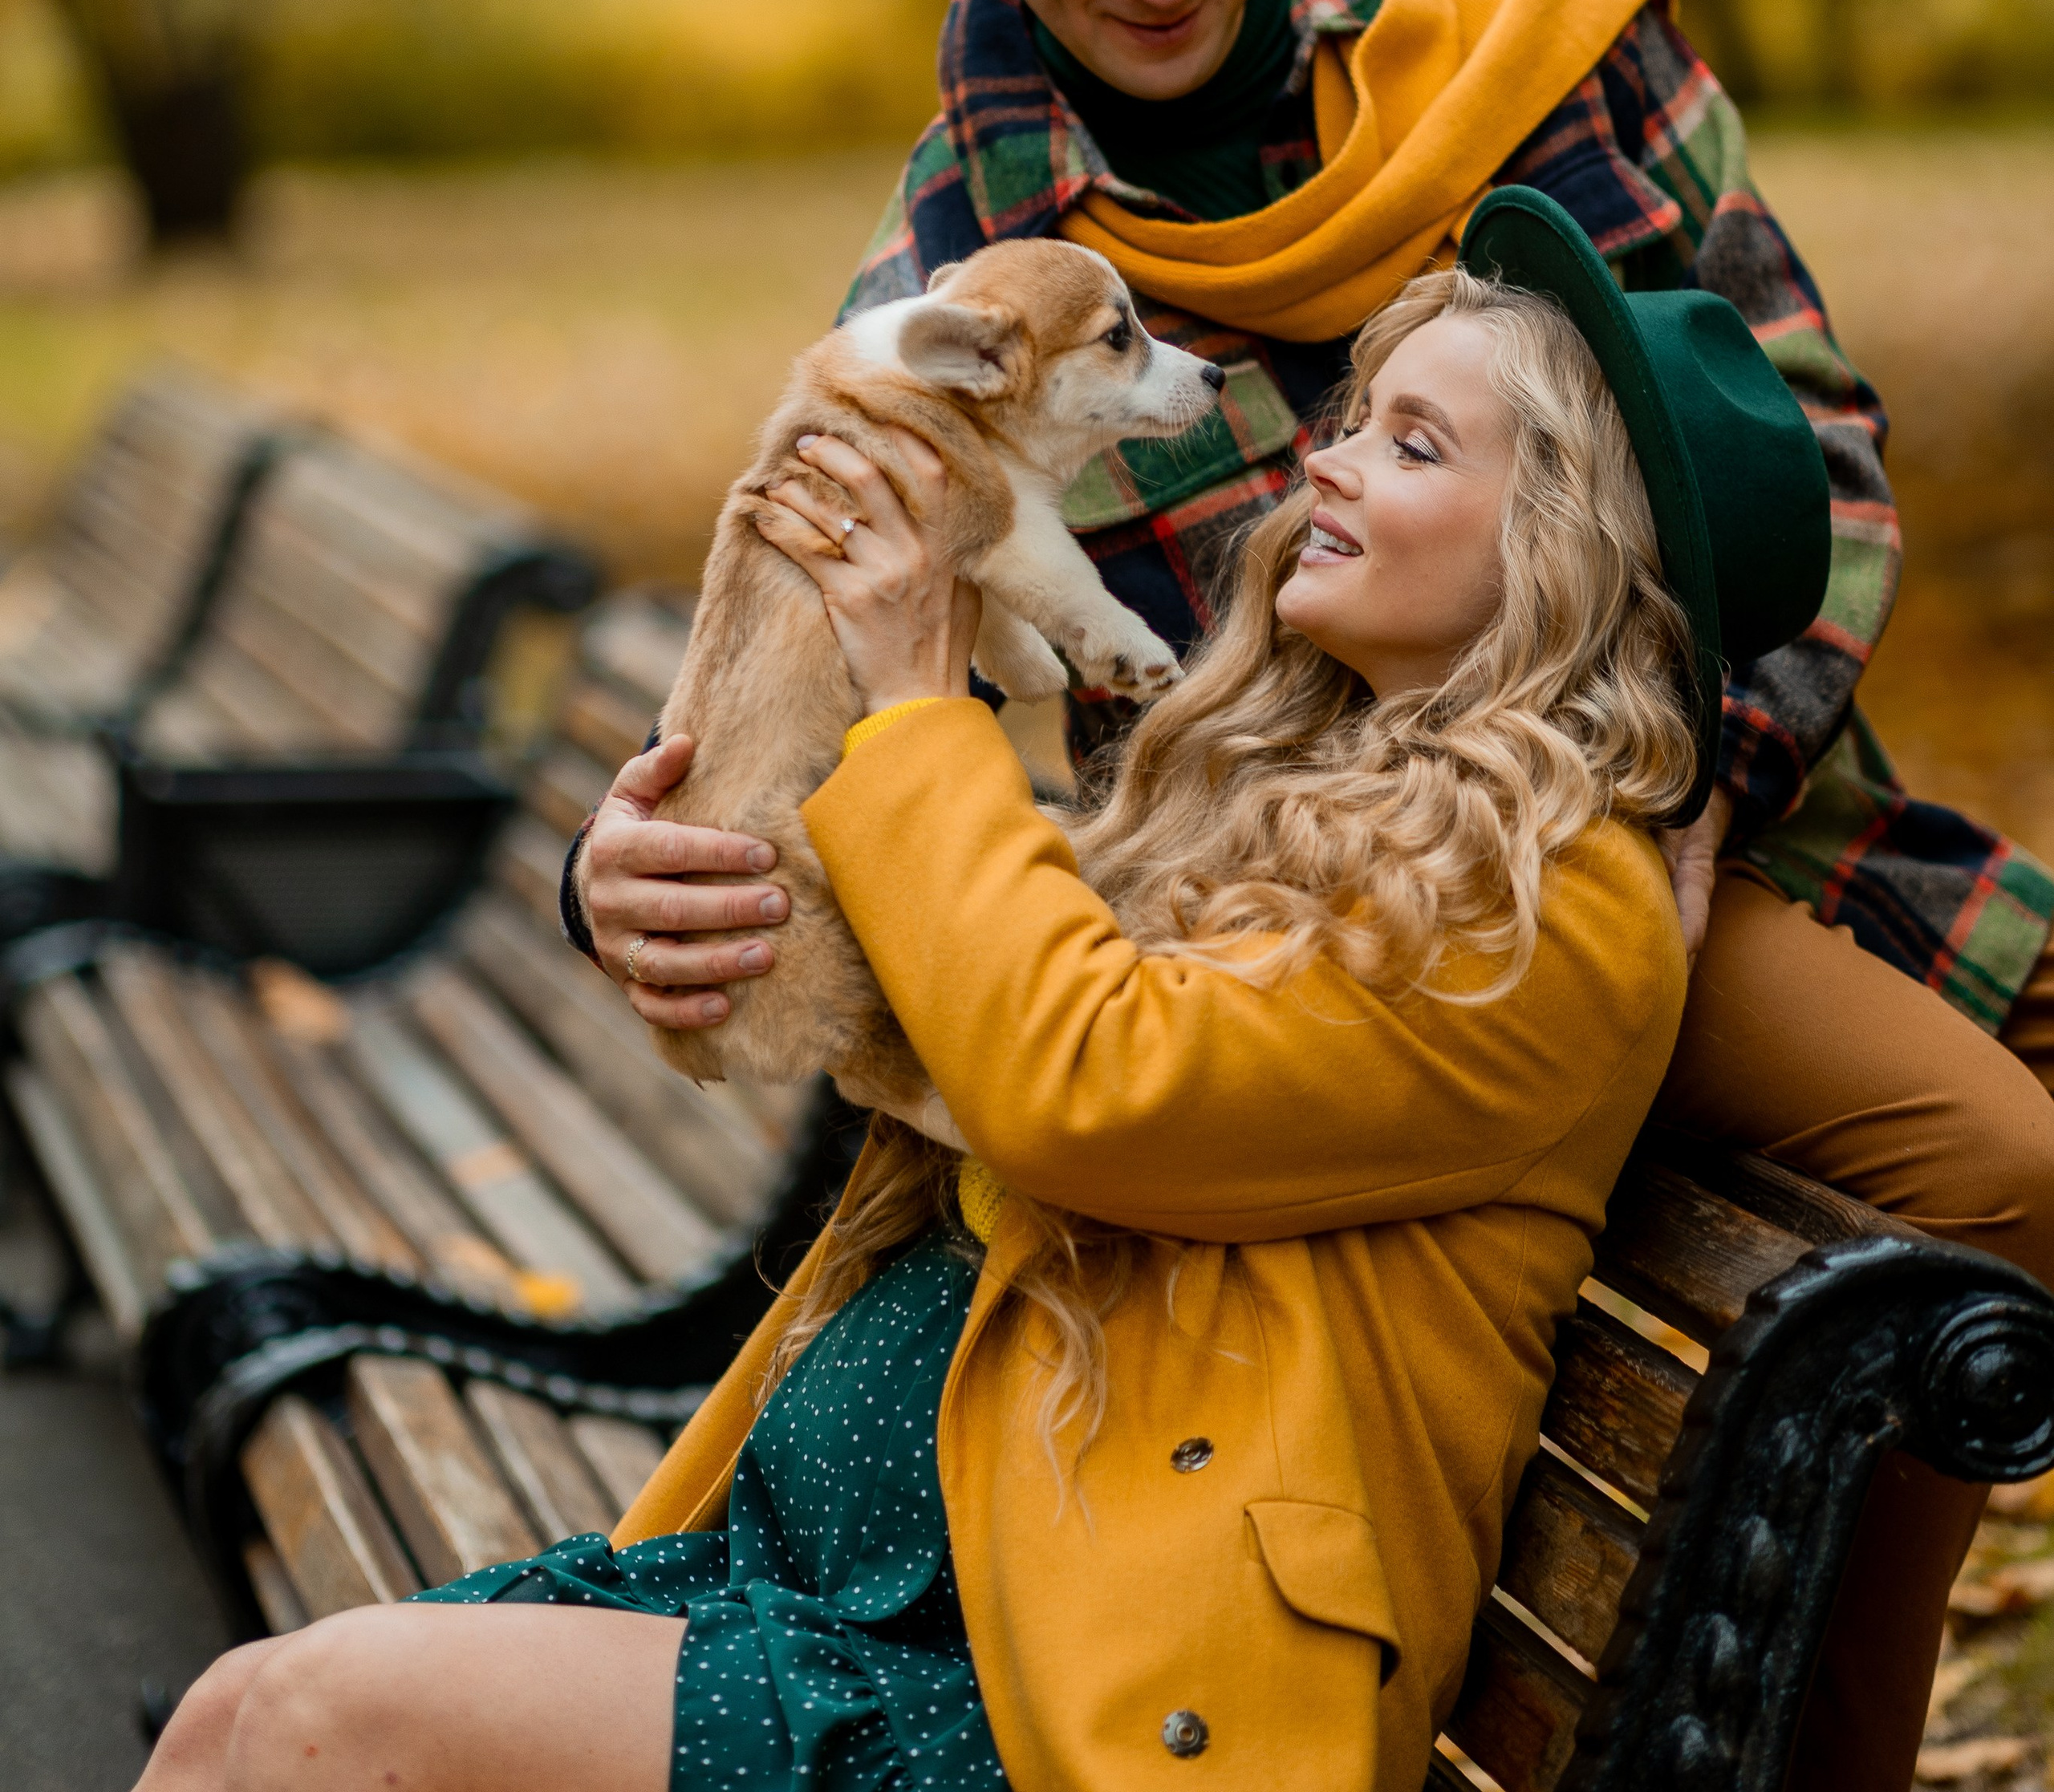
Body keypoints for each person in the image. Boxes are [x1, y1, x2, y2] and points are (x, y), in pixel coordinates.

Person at [571, 0, 2054, 1791]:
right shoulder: (962, 255)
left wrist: (1635, 804)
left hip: (1641, 806)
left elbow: (1807, 468)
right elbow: (858, 651)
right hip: (1252, 890)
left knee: (2003, 1175)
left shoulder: (1532, 23)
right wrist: (645, 855)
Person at [140, 195, 1832, 1792]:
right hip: (870, 1582)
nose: (1317, 460)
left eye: (1407, 443)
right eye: (1355, 416)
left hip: (1057, 1696)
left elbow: (1082, 1079)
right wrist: (636, 876)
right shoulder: (1286, 785)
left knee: (314, 1719)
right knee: (239, 1713)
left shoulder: (1537, 905)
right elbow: (953, 966)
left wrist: (912, 694)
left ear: (1558, 548)